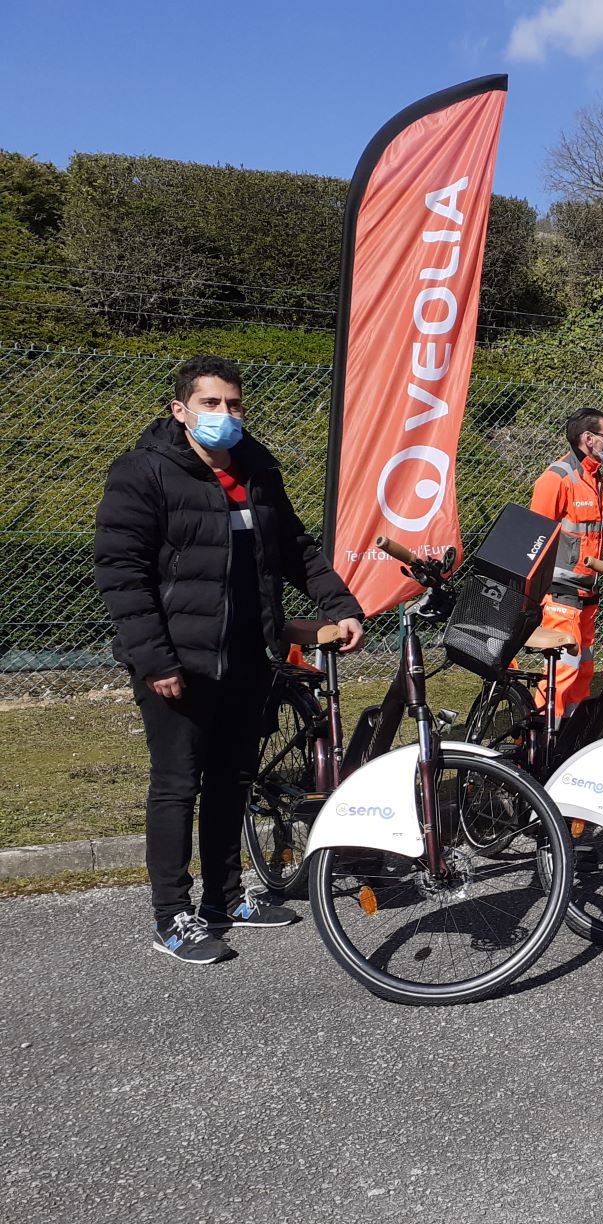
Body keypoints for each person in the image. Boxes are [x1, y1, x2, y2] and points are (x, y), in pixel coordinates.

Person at [93, 356, 365, 965]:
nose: (225, 415)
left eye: (234, 404)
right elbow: (122, 573)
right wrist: (155, 660)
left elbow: (294, 547)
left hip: (248, 656)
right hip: (178, 664)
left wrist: (340, 604)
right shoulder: (145, 473)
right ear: (180, 410)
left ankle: (222, 899)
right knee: (176, 786)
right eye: (211, 404)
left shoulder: (258, 468)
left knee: (232, 783)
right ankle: (172, 917)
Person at [529, 408, 603, 720]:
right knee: (563, 668)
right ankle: (541, 733)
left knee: (584, 664)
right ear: (588, 439)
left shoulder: (594, 477)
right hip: (560, 590)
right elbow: (535, 537)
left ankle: (573, 734)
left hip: (587, 590)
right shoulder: (557, 478)